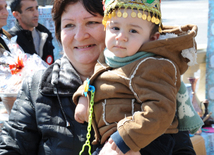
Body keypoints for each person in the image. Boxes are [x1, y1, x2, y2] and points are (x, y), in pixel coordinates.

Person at [73, 0, 203, 154]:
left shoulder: (153, 65)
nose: (121, 37)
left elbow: (161, 110)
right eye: (115, 28)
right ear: (105, 28)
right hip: (118, 139)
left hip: (148, 140)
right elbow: (97, 78)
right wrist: (84, 96)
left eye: (133, 31)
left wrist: (126, 139)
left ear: (152, 38)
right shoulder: (109, 57)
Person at [0, 0, 105, 154]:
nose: (80, 36)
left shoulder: (139, 80)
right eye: (69, 25)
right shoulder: (36, 87)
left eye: (91, 22)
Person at [8, 0, 55, 65]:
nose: (36, 14)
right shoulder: (11, 39)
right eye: (30, 10)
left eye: (36, 8)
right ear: (16, 14)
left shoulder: (45, 34)